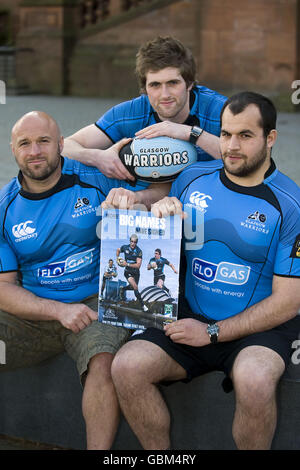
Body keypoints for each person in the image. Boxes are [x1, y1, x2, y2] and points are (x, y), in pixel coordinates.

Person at [111, 92, 300, 450]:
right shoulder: (193, 177)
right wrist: (136, 204)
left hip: (259, 330)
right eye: (226, 134)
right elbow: (156, 224)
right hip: (189, 316)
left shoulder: (291, 205)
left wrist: (212, 332)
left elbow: (289, 302)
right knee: (126, 367)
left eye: (245, 136)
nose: (231, 146)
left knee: (255, 379)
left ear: (270, 138)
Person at [0, 110, 157, 450]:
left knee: (103, 362)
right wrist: (57, 311)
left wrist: (138, 200)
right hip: (34, 309)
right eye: (24, 144)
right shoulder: (4, 207)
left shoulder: (94, 178)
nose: (35, 151)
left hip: (96, 303)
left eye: (43, 141)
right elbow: (3, 288)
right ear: (13, 150)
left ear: (61, 145)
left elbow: (158, 193)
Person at [63, 36, 227, 207]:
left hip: (211, 199)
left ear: (189, 83)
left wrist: (190, 133)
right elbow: (65, 146)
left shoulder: (221, 110)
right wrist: (98, 157)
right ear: (145, 88)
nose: (165, 94)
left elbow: (252, 158)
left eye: (173, 83)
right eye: (155, 85)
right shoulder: (131, 113)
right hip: (158, 198)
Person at [116, 234, 148, 312]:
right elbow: (118, 250)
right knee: (135, 287)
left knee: (133, 288)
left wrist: (127, 264)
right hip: (127, 272)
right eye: (131, 241)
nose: (133, 243)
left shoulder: (139, 251)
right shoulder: (125, 247)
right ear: (130, 241)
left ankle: (123, 289)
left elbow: (138, 265)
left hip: (136, 272)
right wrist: (117, 258)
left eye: (135, 242)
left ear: (137, 242)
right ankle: (143, 305)